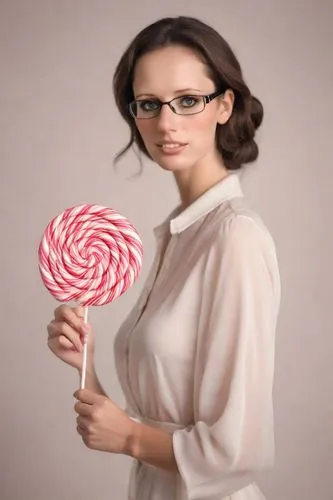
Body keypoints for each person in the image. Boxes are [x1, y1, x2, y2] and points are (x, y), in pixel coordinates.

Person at [47, 16, 281, 500]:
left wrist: (130, 438)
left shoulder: (233, 237)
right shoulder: (179, 234)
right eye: (149, 104)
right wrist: (85, 365)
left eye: (188, 100)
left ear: (224, 105)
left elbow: (241, 451)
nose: (166, 123)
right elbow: (160, 416)